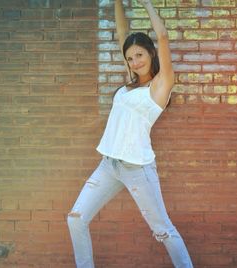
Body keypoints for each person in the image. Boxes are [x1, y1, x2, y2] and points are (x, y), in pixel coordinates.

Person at [67, 0, 193, 267]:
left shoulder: (161, 84)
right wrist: (116, 3)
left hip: (138, 168)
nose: (134, 62)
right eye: (130, 58)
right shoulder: (131, 83)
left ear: (151, 54)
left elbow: (162, 35)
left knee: (163, 230)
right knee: (76, 218)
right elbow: (122, 34)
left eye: (139, 55)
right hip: (108, 164)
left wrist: (146, 3)